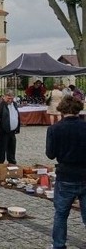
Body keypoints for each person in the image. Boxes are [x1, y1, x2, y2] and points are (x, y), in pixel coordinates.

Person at [45, 95, 86, 249]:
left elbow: (50, 154)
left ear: (61, 109)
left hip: (66, 175)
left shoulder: (55, 128)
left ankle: (59, 245)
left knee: (61, 214)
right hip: (84, 173)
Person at [0, 90, 20, 165]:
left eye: (11, 98)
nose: (10, 100)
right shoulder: (0, 105)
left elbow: (16, 115)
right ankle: (0, 164)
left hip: (12, 131)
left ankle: (12, 161)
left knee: (12, 147)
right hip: (3, 131)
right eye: (8, 98)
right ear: (4, 97)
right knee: (1, 148)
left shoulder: (15, 104)